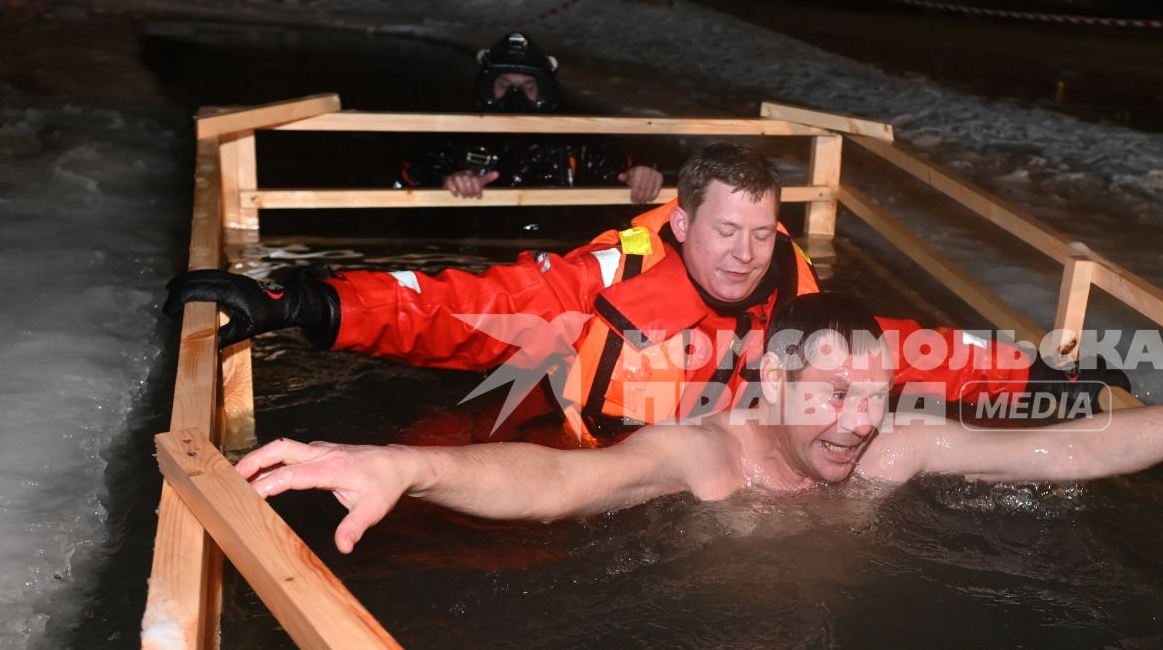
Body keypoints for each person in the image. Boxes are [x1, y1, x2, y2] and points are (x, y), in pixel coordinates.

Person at [234, 292, 1163, 554]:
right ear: (769, 386)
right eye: (830, 394)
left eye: (873, 394)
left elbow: (1073, 450)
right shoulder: (704, 453)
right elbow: (552, 486)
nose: (855, 421)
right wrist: (397, 463)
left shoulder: (894, 444)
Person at [164, 144, 1108, 442]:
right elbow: (454, 306)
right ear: (682, 224)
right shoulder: (600, 281)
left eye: (760, 232)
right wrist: (300, 304)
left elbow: (904, 349)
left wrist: (1036, 377)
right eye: (724, 231)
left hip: (707, 479)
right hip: (576, 449)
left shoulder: (793, 293)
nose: (743, 255)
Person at [397, 32, 664, 206]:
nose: (515, 97)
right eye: (504, 84)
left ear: (544, 91)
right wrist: (447, 182)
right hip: (477, 259)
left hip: (554, 260)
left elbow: (618, 171)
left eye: (527, 87)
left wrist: (640, 174)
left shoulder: (574, 138)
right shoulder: (455, 134)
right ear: (487, 87)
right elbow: (411, 176)